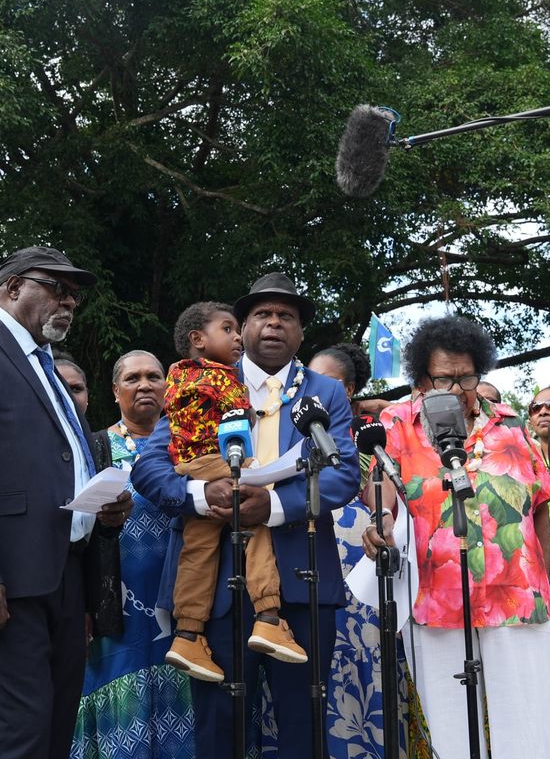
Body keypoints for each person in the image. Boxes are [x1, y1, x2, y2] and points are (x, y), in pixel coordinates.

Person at [132, 272, 359, 759]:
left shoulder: (327, 391)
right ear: (243, 326)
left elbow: (342, 475)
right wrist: (201, 495)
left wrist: (275, 506)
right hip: (216, 586)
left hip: (303, 582)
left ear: (300, 333)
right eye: (262, 315)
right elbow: (149, 467)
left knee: (305, 726)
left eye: (286, 317)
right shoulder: (201, 380)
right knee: (220, 728)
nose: (273, 324)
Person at [0, 247, 132, 759]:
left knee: (54, 727)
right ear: (13, 288)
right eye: (56, 287)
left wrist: (101, 513)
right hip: (1, 578)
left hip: (63, 575)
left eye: (74, 294)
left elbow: (57, 464)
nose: (69, 302)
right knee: (19, 728)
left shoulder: (49, 368)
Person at [362, 315, 550, 757]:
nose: (456, 388)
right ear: (420, 380)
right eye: (443, 379)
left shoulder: (511, 425)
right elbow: (382, 485)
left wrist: (542, 578)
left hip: (516, 595)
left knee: (530, 723)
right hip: (437, 597)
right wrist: (380, 519)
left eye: (467, 377)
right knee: (452, 730)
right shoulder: (399, 423)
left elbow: (541, 503)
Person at [164, 302, 305, 682]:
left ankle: (188, 634)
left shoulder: (176, 376)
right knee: (255, 527)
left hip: (190, 467)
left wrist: (200, 492)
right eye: (228, 329)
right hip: (219, 464)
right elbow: (235, 417)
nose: (237, 337)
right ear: (198, 340)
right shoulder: (224, 377)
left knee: (198, 549)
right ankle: (269, 616)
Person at [309, 343, 431, 759]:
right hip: (309, 572)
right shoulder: (292, 436)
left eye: (322, 381)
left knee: (364, 676)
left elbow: (386, 497)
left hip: (363, 580)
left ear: (347, 389)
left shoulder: (369, 439)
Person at [72, 349, 194, 759]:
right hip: (117, 603)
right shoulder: (95, 448)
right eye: (133, 378)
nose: (145, 385)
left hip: (186, 599)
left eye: (154, 377)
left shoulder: (191, 445)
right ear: (115, 390)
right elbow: (77, 531)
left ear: (168, 386)